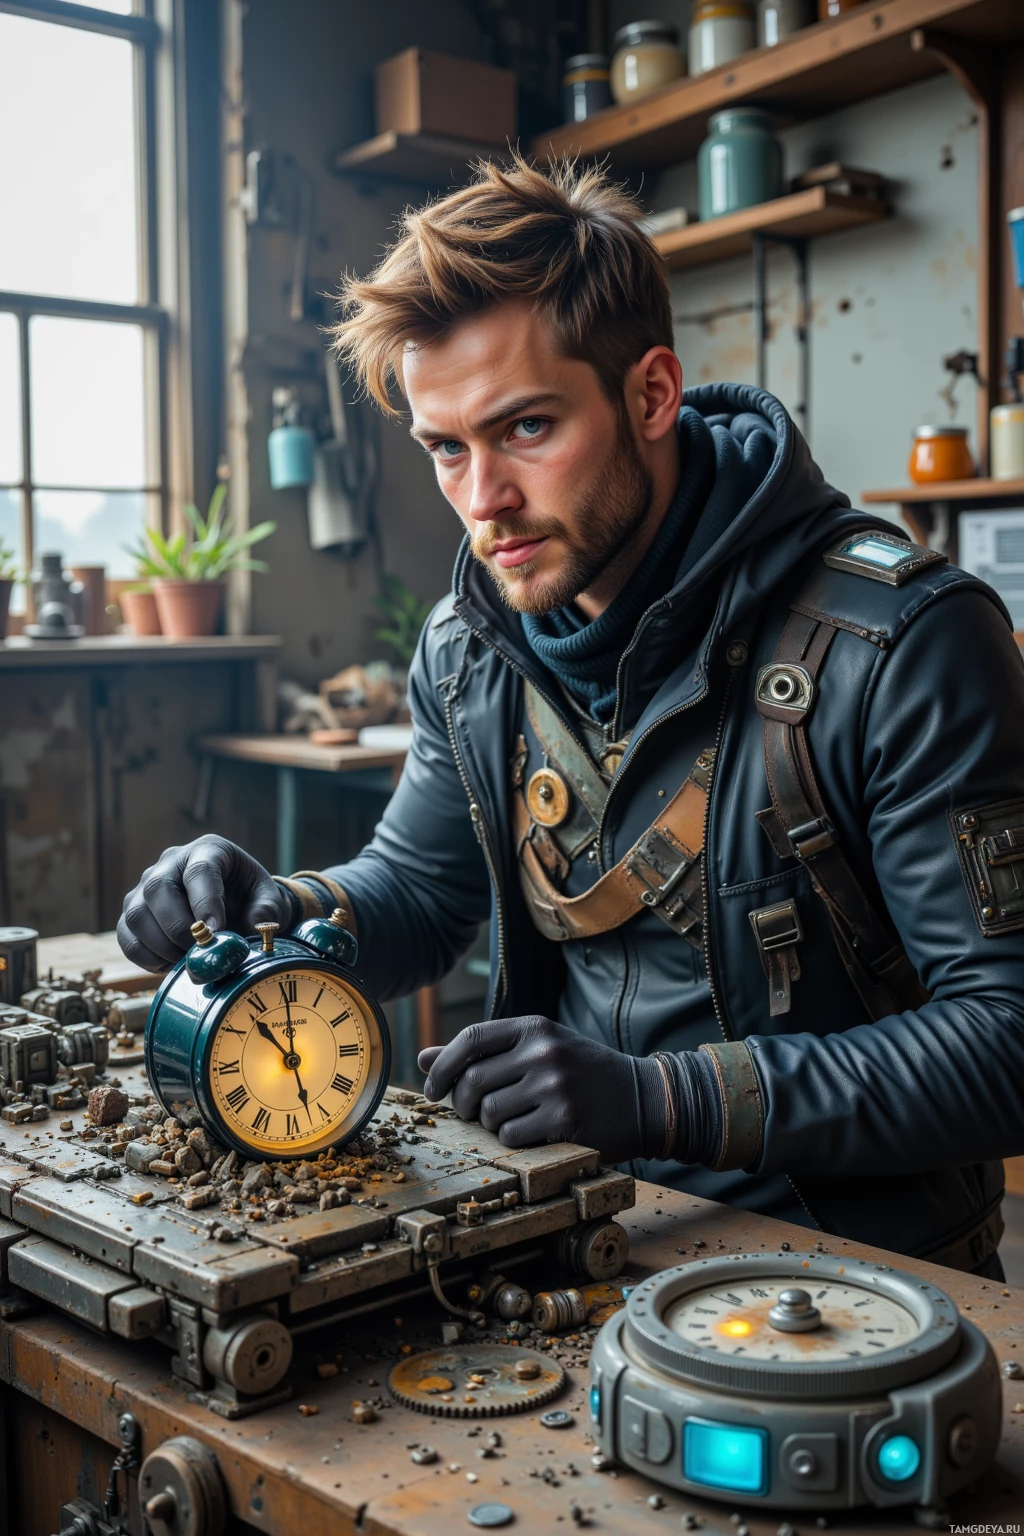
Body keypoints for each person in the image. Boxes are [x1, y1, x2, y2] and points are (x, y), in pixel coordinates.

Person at [118, 155, 1024, 1277]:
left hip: (859, 1274)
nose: (482, 499)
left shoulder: (902, 641)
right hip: (573, 1226)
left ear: (650, 395)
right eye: (446, 448)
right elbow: (421, 889)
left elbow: (1007, 1041)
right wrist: (285, 907)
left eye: (527, 429)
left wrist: (657, 1099)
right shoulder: (471, 648)